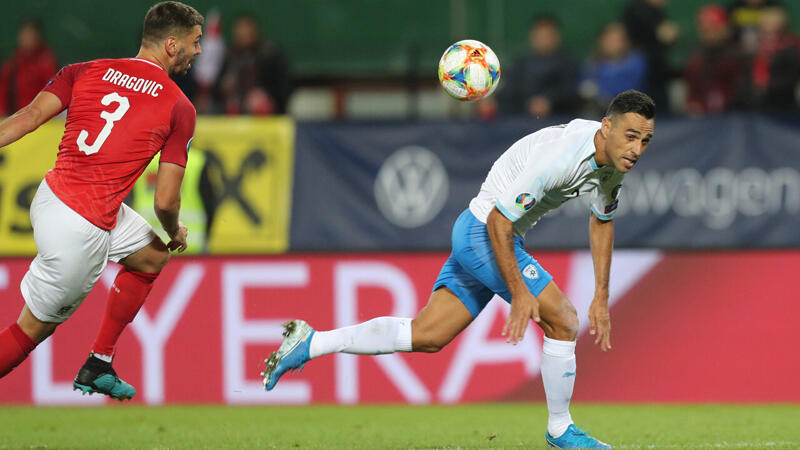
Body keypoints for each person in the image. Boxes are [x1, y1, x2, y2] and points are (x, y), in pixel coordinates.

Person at [263, 90, 656, 449]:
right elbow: (499, 221)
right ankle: (560, 429)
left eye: (644, 141)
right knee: (564, 320)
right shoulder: (560, 157)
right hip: (484, 233)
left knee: (428, 334)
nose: (636, 150)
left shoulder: (614, 162)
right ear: (607, 127)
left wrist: (601, 294)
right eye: (630, 136)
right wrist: (520, 292)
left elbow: (602, 220)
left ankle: (312, 343)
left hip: (483, 232)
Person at [0, 1, 202, 401]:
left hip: (51, 196)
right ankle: (96, 363)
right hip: (82, 227)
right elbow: (164, 202)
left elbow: (28, 117)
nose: (199, 51)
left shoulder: (84, 70)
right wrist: (174, 230)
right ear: (172, 45)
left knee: (151, 256)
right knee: (29, 331)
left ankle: (100, 361)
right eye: (195, 42)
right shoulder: (180, 107)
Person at [487, 15, 579, 119]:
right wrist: (492, 101)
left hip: (557, 120)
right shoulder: (521, 63)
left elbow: (570, 92)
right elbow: (508, 91)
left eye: (548, 35)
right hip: (520, 120)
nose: (544, 40)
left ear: (557, 37)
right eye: (540, 35)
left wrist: (549, 101)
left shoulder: (568, 63)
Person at [214, 14, 290, 115]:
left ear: (255, 31)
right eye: (239, 29)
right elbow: (216, 88)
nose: (242, 33)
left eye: (246, 29)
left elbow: (283, 87)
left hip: (265, 110)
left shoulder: (269, 54)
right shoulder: (230, 56)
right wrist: (224, 86)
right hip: (234, 109)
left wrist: (266, 96)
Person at [684, 4, 747, 115]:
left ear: (725, 28)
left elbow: (743, 94)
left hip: (735, 116)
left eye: (714, 27)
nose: (709, 33)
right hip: (702, 118)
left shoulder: (737, 56)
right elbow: (692, 95)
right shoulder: (696, 58)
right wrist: (693, 104)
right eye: (705, 29)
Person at [580, 24, 648, 117]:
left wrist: (599, 91)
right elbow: (584, 87)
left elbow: (629, 91)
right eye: (608, 40)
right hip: (599, 114)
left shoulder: (636, 62)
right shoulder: (593, 63)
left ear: (626, 42)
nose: (612, 44)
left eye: (617, 40)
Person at [622, 0, 679, 110]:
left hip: (656, 69)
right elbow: (667, 34)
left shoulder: (655, 12)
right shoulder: (638, 10)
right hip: (646, 70)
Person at [0, 18, 58, 116]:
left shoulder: (47, 61)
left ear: (38, 38)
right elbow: (3, 91)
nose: (28, 40)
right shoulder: (12, 63)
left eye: (31, 36)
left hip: (43, 116)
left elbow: (53, 92)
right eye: (25, 35)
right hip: (16, 116)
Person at [749, 5, 800, 111]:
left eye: (771, 23)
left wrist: (767, 85)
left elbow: (791, 76)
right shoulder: (754, 46)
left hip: (784, 103)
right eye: (765, 22)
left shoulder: (790, 47)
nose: (767, 26)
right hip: (756, 103)